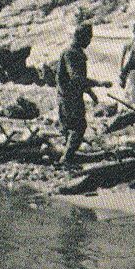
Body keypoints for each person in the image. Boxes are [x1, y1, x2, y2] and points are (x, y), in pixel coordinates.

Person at [55, 22, 102, 165]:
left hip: (71, 96)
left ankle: (66, 155)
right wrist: (98, 83)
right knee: (78, 127)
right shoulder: (71, 53)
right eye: (89, 38)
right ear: (82, 37)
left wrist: (91, 93)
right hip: (69, 97)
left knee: (70, 127)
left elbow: (79, 81)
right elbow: (76, 78)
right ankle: (66, 159)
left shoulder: (76, 53)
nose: (90, 41)